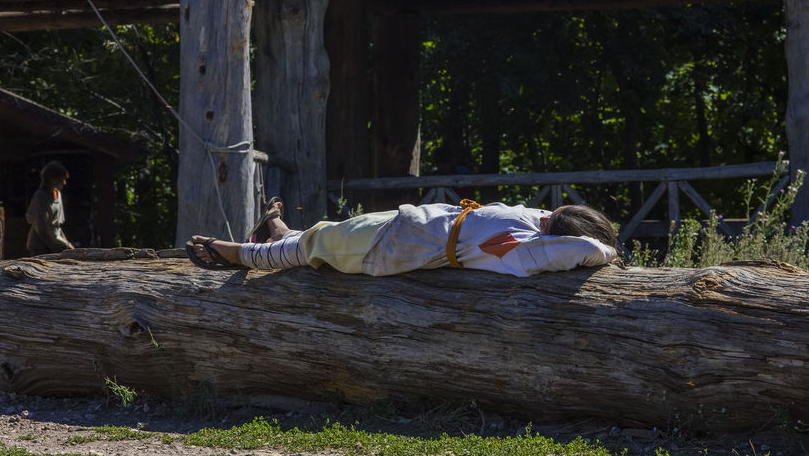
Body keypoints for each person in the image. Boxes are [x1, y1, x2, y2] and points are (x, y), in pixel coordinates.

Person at [187, 198, 619, 277]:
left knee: (314, 247)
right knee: (323, 235)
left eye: (552, 218)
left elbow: (583, 248)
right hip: (410, 224)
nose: (543, 216)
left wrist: (607, 249)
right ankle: (274, 230)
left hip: (396, 244)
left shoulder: (526, 251)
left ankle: (240, 254)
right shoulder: (534, 228)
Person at [25, 160, 75, 256]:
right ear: (52, 179)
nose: (64, 183)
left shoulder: (57, 194)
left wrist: (67, 243)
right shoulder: (40, 197)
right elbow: (43, 228)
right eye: (61, 180)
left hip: (55, 242)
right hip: (40, 246)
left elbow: (57, 226)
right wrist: (63, 245)